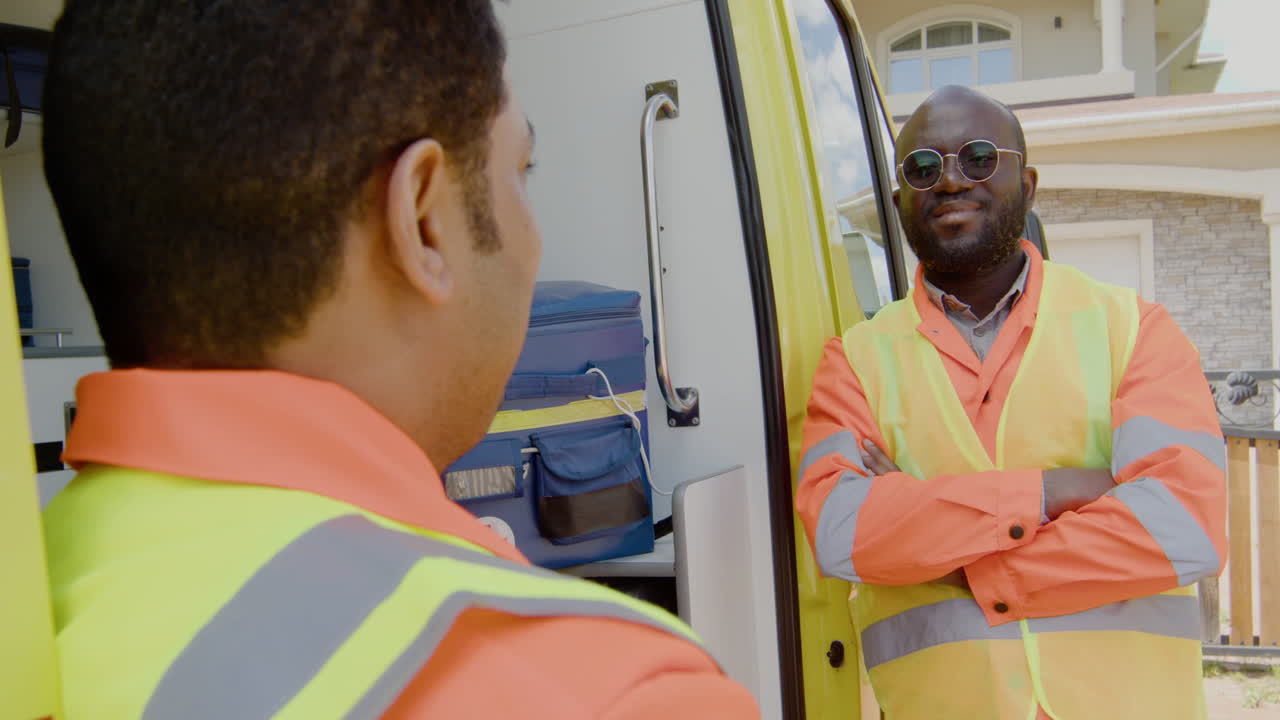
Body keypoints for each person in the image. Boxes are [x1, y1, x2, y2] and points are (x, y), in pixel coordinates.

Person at [38, 1, 758, 718]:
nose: (534, 240)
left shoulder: (37, 592)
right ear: (423, 221)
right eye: (523, 170)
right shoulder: (618, 693)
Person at [795, 85, 1226, 720]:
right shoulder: (853, 361)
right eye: (922, 168)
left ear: (1026, 185)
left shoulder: (1132, 329)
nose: (948, 181)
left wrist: (951, 554)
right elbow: (839, 532)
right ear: (899, 201)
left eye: (977, 158)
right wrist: (1054, 493)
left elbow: (1185, 526)